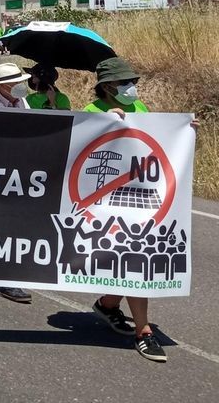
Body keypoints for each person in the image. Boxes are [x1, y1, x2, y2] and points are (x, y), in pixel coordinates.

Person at [82, 57, 169, 362]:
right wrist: (105, 124)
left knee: (132, 257)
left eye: (133, 82)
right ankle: (143, 332)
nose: (131, 88)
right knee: (133, 260)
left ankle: (107, 304)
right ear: (107, 86)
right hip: (106, 201)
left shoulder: (140, 108)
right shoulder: (91, 113)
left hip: (140, 196)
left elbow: (156, 143)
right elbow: (82, 152)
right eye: (124, 83)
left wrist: (185, 129)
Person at [0, 63, 36, 303]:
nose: (22, 85)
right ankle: (0, 276)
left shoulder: (22, 102)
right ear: (2, 85)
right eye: (17, 82)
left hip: (19, 170)